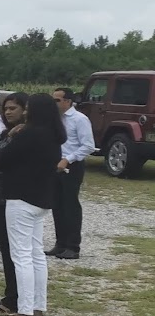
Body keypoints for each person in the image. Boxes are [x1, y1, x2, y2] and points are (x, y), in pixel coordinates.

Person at [0, 92, 64, 316]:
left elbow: (0, 160)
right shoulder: (54, 135)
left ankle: (23, 310)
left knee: (20, 256)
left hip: (20, 198)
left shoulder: (28, 134)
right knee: (36, 255)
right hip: (41, 199)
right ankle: (38, 306)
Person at [0, 94, 28, 316]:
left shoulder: (24, 135)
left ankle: (17, 298)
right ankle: (10, 293)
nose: (8, 112)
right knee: (6, 249)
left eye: (13, 108)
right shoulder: (4, 134)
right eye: (5, 108)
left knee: (16, 251)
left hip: (14, 198)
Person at [49, 87, 93, 260]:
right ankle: (60, 244)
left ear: (68, 101)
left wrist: (68, 159)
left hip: (71, 166)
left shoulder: (79, 119)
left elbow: (88, 145)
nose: (54, 104)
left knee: (70, 205)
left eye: (57, 100)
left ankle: (73, 246)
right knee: (56, 205)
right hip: (54, 165)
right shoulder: (54, 120)